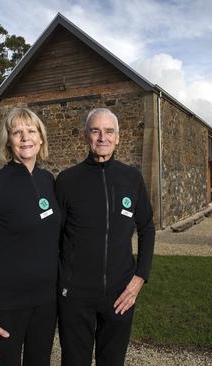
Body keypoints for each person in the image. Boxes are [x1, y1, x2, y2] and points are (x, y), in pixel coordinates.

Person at [55, 108, 155, 366]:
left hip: (120, 294)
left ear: (118, 137)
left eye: (109, 131)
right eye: (96, 130)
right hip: (75, 296)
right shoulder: (66, 181)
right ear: (86, 136)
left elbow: (146, 227)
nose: (103, 137)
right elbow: (54, 237)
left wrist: (139, 278)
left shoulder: (131, 178)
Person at [0, 107, 61, 366]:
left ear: (41, 138)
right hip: (6, 305)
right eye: (17, 132)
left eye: (31, 131)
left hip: (45, 303)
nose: (25, 137)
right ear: (8, 141)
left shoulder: (48, 182)